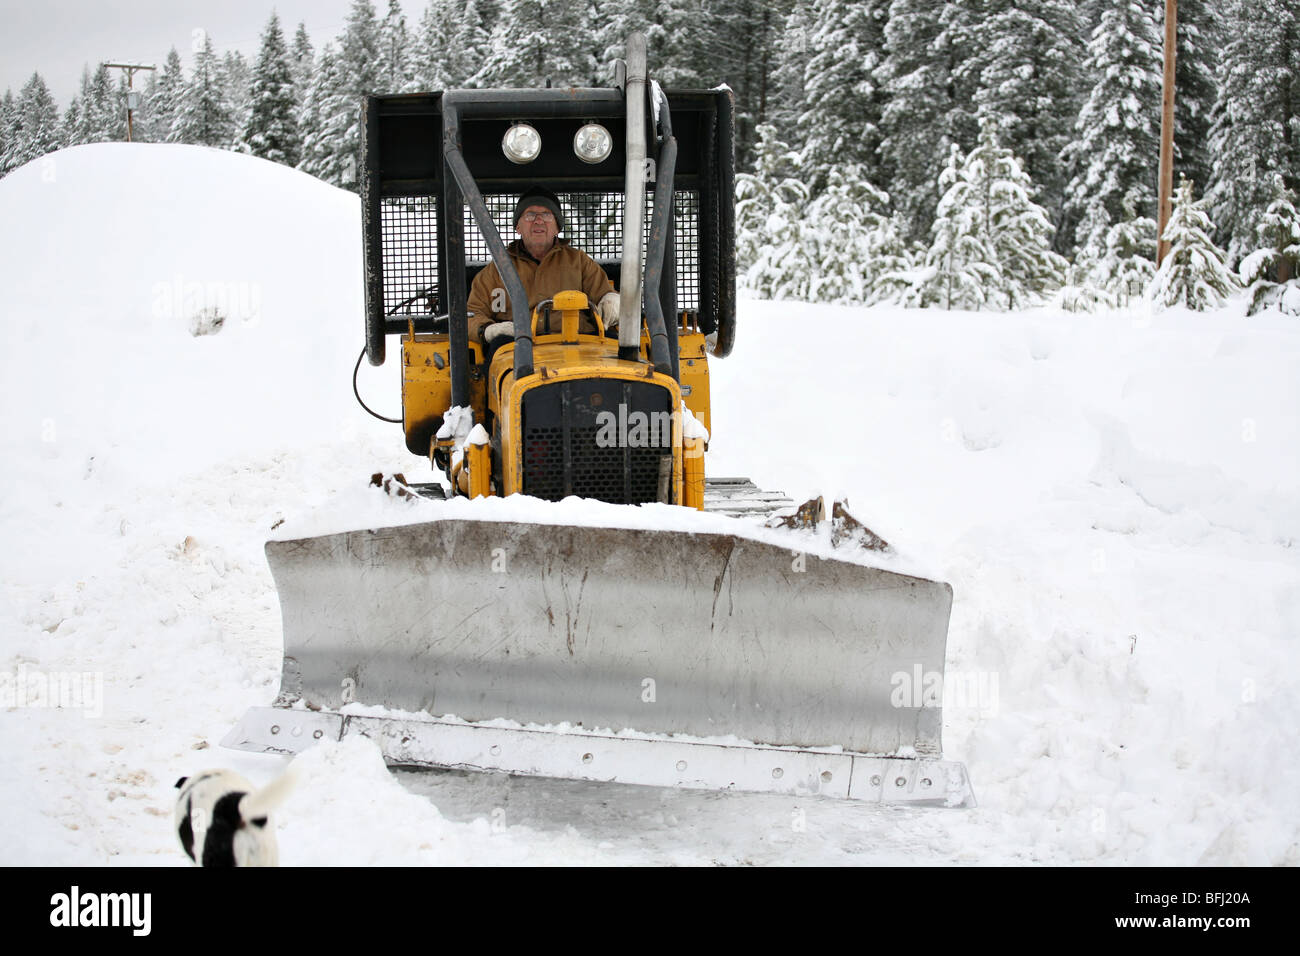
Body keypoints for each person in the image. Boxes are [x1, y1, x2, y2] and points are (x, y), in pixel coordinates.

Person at [467, 186, 621, 347]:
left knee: (620, 352)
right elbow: (471, 314)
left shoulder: (579, 261)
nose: (538, 220)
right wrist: (488, 330)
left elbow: (604, 293)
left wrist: (611, 300)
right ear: (518, 227)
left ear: (557, 227)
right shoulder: (496, 271)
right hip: (518, 347)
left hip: (579, 342)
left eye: (546, 215)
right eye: (530, 215)